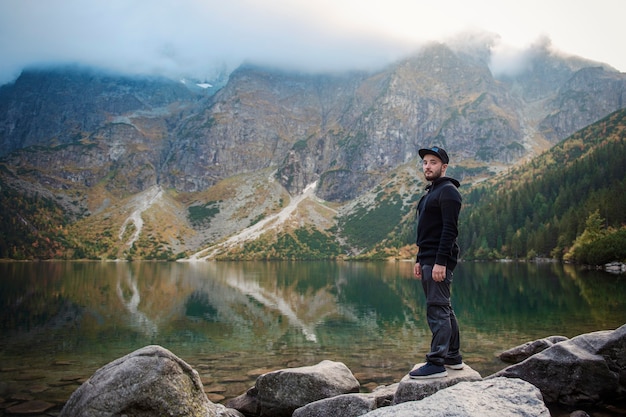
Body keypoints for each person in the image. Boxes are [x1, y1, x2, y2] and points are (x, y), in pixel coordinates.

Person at [410, 146, 463, 379]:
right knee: (444, 307)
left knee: (436, 308)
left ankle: (437, 363)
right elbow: (428, 231)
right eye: (425, 162)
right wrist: (419, 259)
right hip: (428, 258)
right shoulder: (431, 193)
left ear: (444, 167)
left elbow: (450, 230)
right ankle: (453, 357)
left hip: (438, 261)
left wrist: (440, 262)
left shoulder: (449, 192)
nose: (427, 166)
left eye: (433, 162)